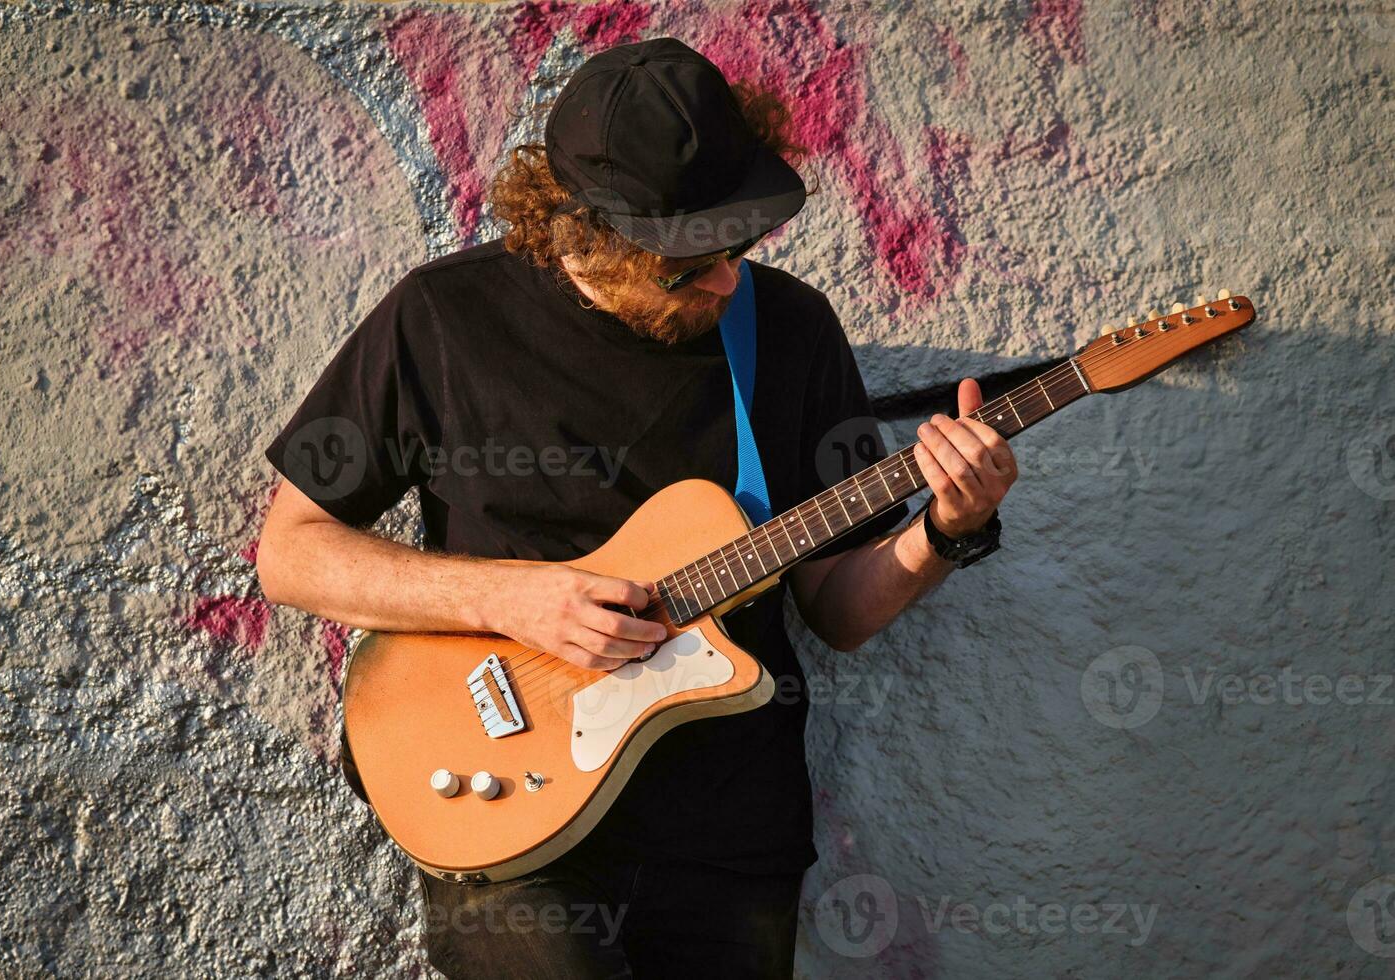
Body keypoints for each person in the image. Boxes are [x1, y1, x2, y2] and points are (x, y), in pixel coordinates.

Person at [255, 36, 1016, 980]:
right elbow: (291, 553)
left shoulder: (789, 330)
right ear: (581, 230)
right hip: (512, 816)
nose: (726, 280)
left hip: (727, 838)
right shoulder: (443, 321)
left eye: (738, 246)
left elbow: (838, 609)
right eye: (686, 264)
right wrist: (514, 600)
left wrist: (947, 529)